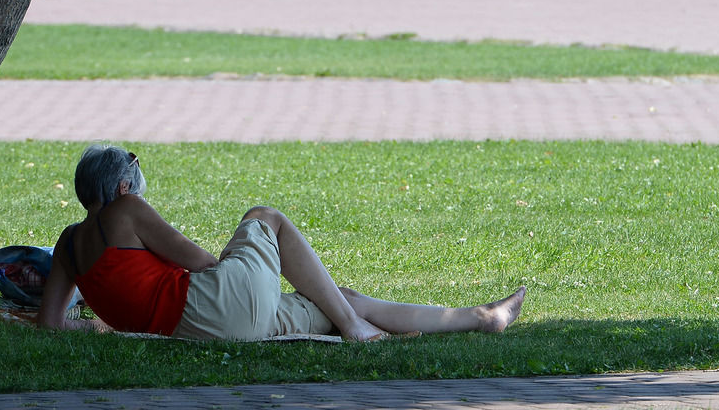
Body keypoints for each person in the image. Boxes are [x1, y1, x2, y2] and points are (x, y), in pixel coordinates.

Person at [37, 145, 526, 341]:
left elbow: (50, 327)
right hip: (212, 304)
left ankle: (481, 318)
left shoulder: (66, 245)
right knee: (266, 217)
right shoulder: (126, 210)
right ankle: (356, 327)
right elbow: (201, 261)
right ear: (122, 188)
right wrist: (236, 265)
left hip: (202, 332)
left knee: (337, 301)